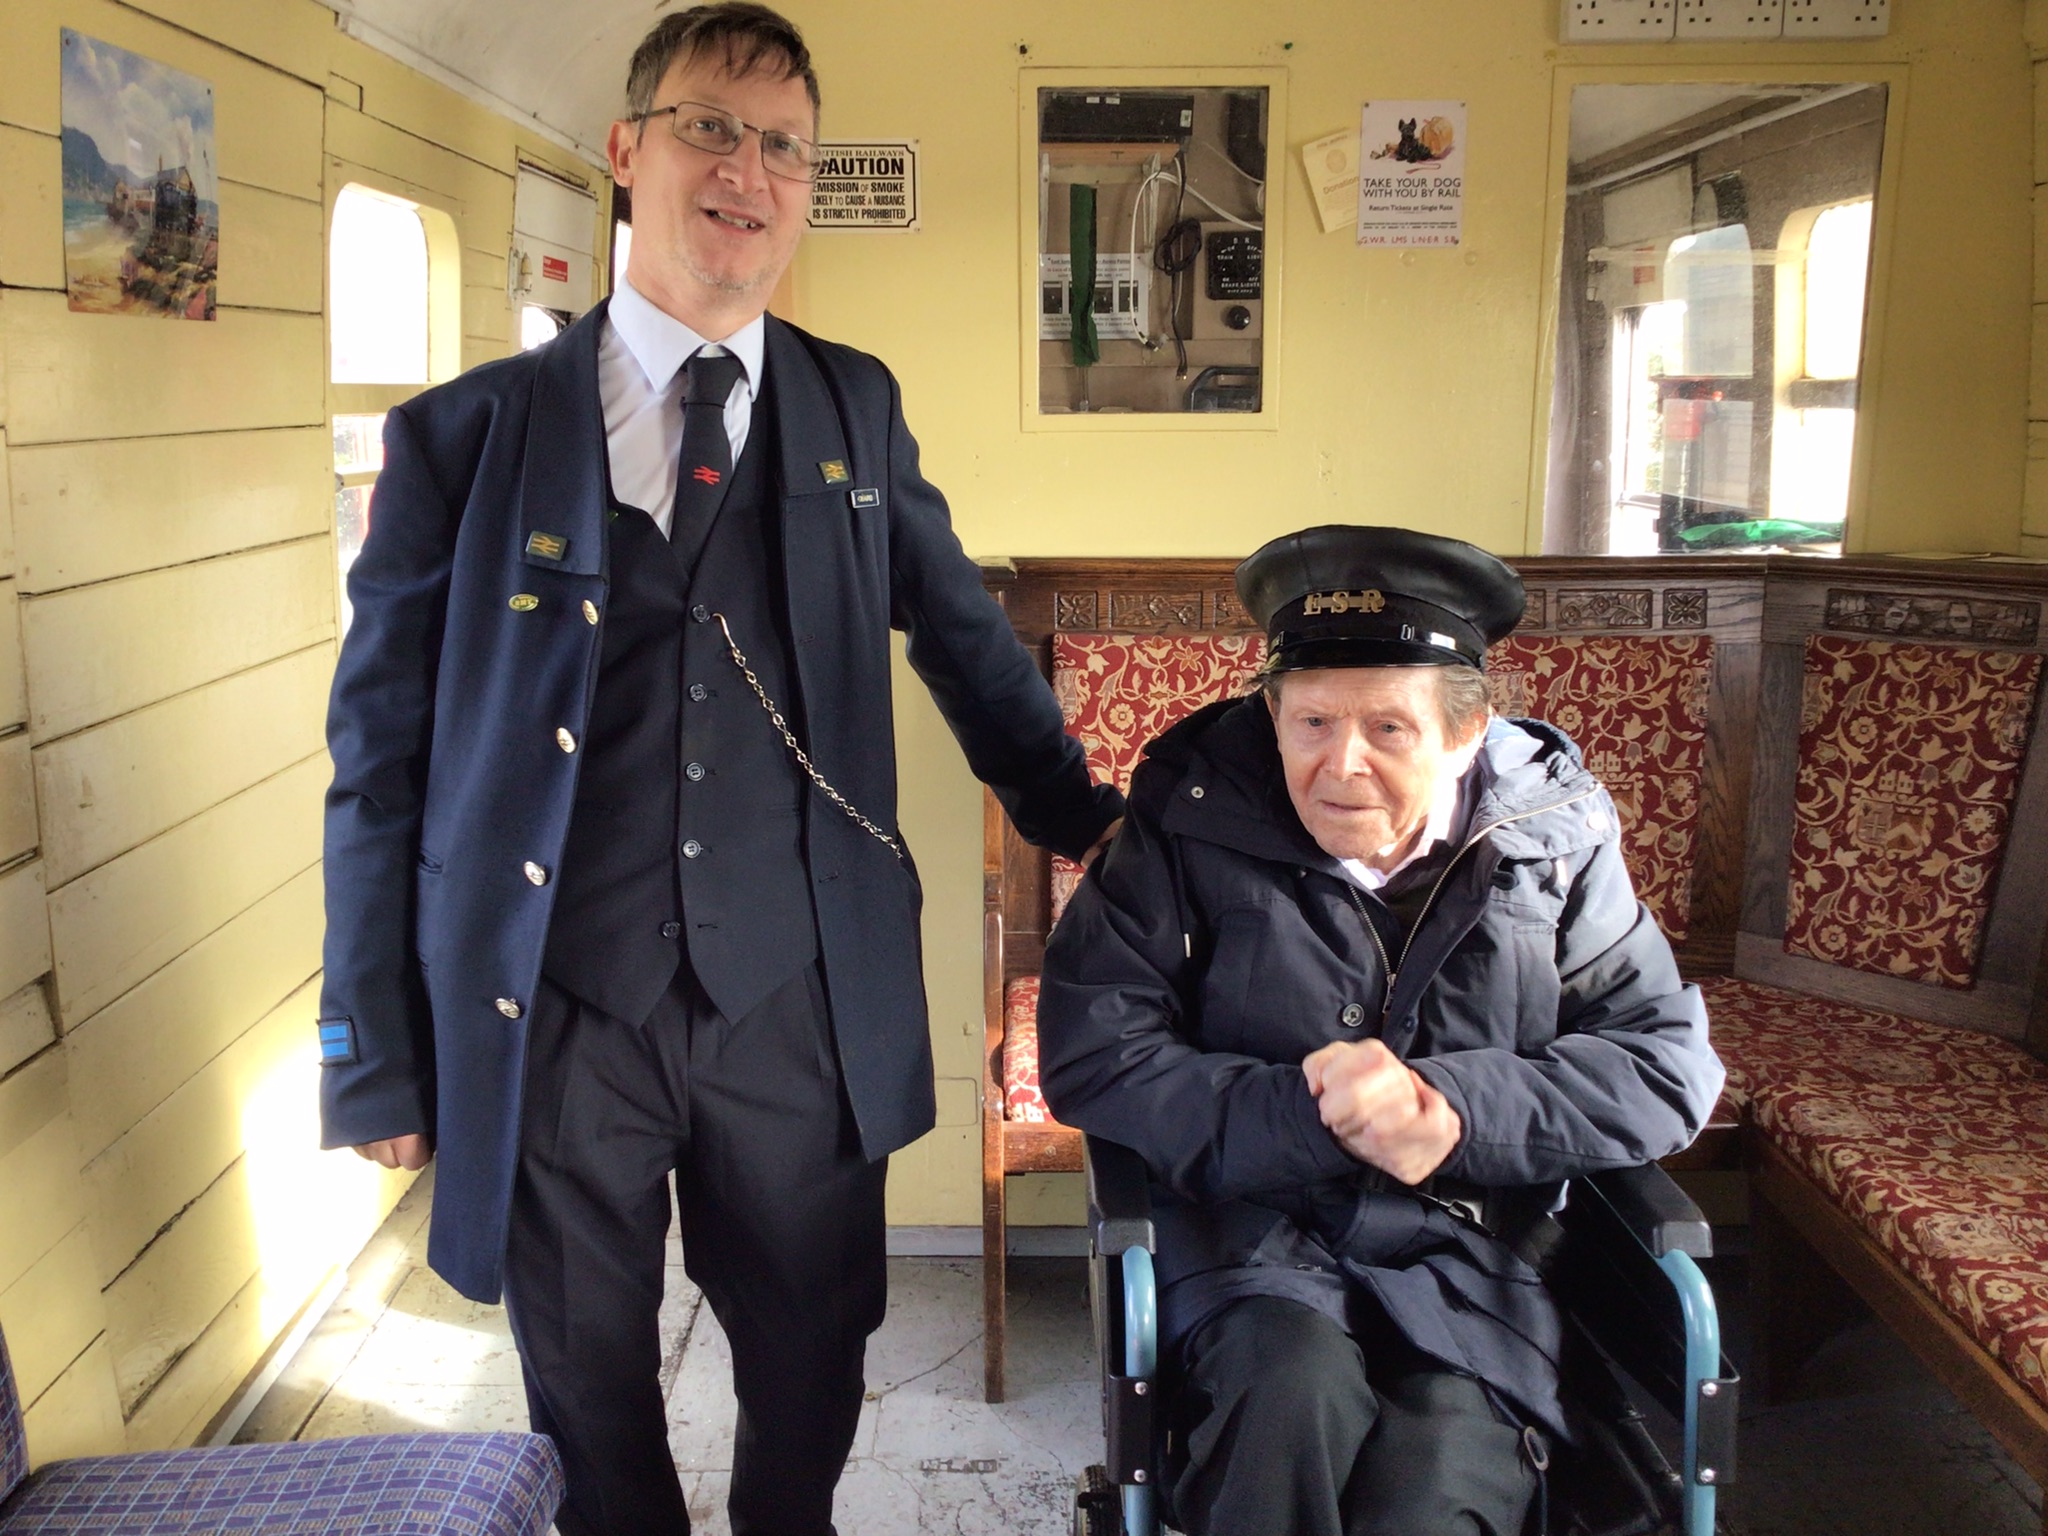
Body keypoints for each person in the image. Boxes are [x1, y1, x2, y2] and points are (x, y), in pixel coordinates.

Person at [315, 8, 1122, 1534]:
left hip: (800, 1002)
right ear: (628, 152)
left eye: (783, 147)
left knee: (814, 1362)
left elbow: (967, 646)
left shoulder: (852, 409)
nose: (746, 170)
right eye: (709, 127)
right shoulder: (462, 442)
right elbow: (380, 765)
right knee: (584, 1383)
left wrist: (1104, 830)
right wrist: (371, 1047)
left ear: (805, 188)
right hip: (556, 1005)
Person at [1038, 525, 1724, 1536]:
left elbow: (1662, 1068)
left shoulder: (1554, 840)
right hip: (1247, 1238)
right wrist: (1308, 1113)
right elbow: (1097, 1052)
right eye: (1309, 720)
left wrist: (1450, 1111)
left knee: (1434, 1481)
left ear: (1464, 731)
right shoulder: (1183, 824)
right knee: (1281, 1408)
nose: (1337, 764)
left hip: (1479, 1250)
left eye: (1386, 729)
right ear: (1269, 714)